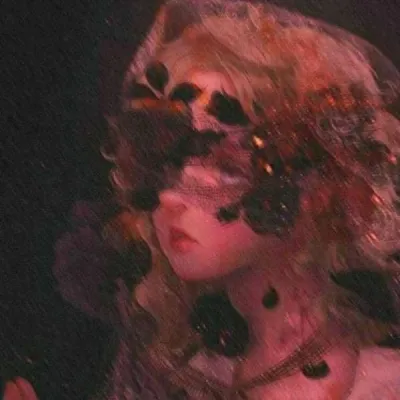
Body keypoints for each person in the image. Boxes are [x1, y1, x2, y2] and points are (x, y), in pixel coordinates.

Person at [10, 0, 400, 399]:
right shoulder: (176, 371)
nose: (170, 197)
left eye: (226, 167)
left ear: (314, 189)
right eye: (162, 160)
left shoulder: (384, 383)